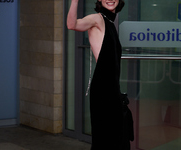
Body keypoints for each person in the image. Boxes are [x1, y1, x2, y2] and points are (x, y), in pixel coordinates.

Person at [67, 0, 129, 149]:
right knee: (106, 139)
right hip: (102, 89)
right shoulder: (97, 19)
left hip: (111, 88)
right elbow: (72, 25)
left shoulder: (110, 22)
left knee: (115, 138)